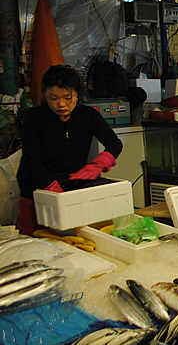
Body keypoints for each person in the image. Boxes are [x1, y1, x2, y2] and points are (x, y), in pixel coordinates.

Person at [17, 65, 123, 235]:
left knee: (75, 240)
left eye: (68, 97)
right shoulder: (35, 117)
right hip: (37, 191)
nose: (61, 104)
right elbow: (31, 158)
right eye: (53, 98)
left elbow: (114, 143)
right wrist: (49, 186)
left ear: (77, 95)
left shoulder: (88, 115)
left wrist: (98, 164)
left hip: (73, 190)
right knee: (36, 241)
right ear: (45, 95)